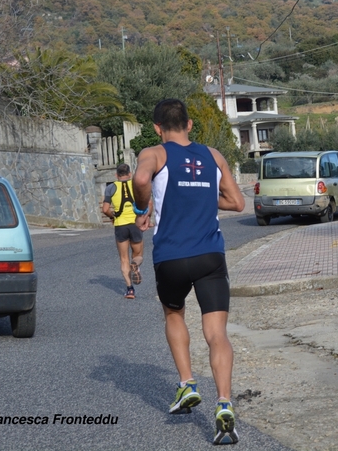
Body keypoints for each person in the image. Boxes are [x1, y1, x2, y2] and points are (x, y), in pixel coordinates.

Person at [132, 98, 245, 446]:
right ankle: (224, 403)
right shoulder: (213, 155)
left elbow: (139, 178)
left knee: (173, 312)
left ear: (157, 128)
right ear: (190, 124)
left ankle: (187, 384)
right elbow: (238, 203)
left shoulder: (154, 153)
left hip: (172, 257)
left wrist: (142, 205)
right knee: (217, 333)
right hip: (210, 255)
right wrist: (201, 197)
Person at [102, 163, 146, 299]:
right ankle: (136, 265)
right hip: (135, 223)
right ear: (130, 174)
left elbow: (105, 209)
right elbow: (146, 203)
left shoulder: (110, 188)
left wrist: (113, 216)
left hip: (120, 225)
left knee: (123, 258)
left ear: (116, 175)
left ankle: (130, 290)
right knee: (138, 255)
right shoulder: (135, 185)